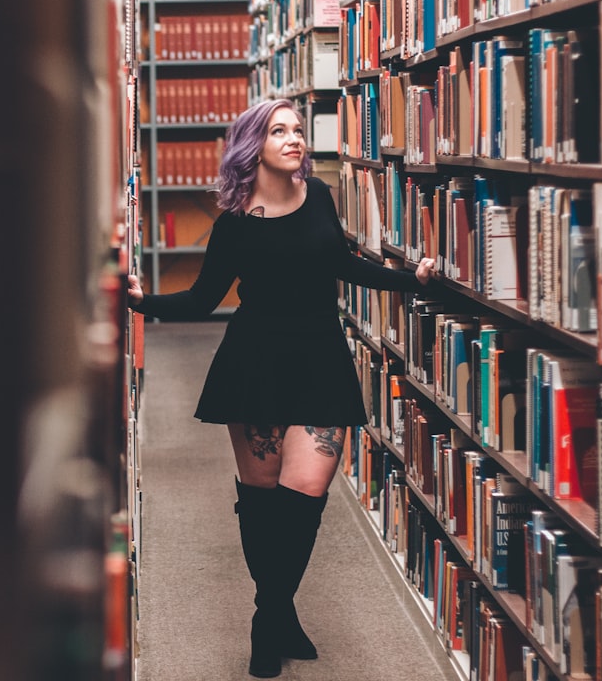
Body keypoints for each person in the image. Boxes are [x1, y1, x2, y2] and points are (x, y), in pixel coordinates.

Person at [127, 98, 436, 678]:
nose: (295, 139)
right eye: (279, 130)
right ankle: (277, 614)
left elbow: (344, 265)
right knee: (263, 501)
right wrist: (142, 301)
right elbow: (202, 298)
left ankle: (267, 614)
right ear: (254, 144)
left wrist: (408, 277)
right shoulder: (234, 223)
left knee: (306, 495)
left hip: (320, 357)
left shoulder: (319, 195)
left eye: (298, 130)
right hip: (256, 362)